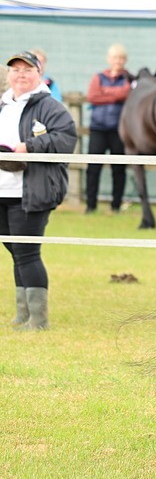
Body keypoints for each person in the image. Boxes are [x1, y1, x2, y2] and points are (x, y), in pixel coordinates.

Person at [0, 51, 77, 330]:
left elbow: (66, 139)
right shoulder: (3, 105)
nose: (20, 74)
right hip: (3, 190)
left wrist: (29, 147)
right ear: (8, 75)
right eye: (15, 69)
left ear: (39, 74)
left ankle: (38, 319)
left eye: (27, 69)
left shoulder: (50, 107)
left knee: (27, 251)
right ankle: (23, 314)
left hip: (31, 190)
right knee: (14, 249)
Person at [85, 44, 132, 213]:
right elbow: (92, 96)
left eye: (121, 58)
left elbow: (126, 93)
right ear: (109, 59)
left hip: (118, 130)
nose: (117, 61)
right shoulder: (98, 77)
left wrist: (105, 92)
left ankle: (116, 206)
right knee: (93, 168)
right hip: (98, 128)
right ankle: (91, 205)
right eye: (114, 58)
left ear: (125, 60)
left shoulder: (128, 79)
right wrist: (115, 94)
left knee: (118, 169)